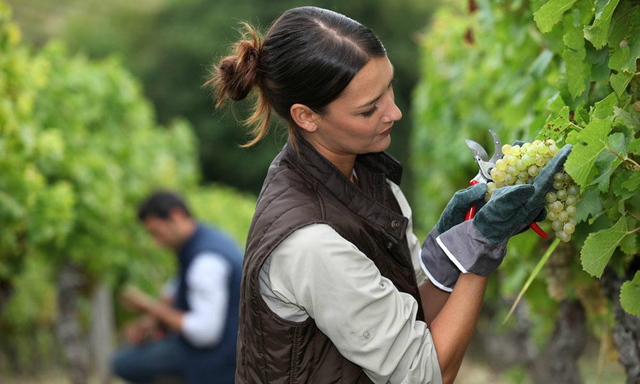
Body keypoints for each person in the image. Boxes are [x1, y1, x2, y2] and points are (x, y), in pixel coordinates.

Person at [205, 6, 571, 384]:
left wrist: (450, 254)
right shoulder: (310, 244)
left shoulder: (368, 178)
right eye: (369, 110)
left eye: (389, 87)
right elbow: (426, 374)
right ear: (306, 117)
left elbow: (407, 321)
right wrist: (484, 250)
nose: (394, 112)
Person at [111, 191, 243, 384]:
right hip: (221, 352)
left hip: (218, 361)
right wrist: (150, 322)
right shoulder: (203, 243)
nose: (156, 242)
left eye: (157, 233)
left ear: (176, 215)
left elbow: (205, 333)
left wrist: (149, 306)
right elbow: (174, 290)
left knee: (123, 363)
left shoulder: (206, 261)